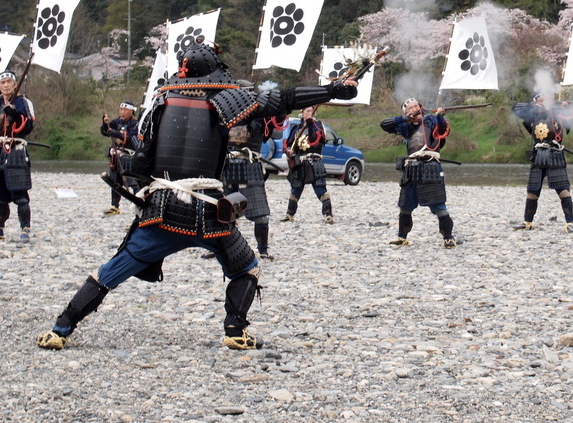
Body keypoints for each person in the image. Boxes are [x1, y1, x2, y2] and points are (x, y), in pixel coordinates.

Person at [36, 39, 357, 351]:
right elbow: (284, 99)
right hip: (208, 215)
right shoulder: (231, 100)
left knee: (107, 274)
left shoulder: (161, 102)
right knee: (248, 269)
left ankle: (61, 329)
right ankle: (235, 330)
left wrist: (136, 174)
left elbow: (141, 164)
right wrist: (333, 90)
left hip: (161, 213)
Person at [380, 98, 456, 248]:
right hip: (412, 168)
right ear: (407, 113)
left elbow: (441, 130)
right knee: (405, 206)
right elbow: (384, 125)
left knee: (439, 206)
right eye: (410, 108)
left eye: (416, 106)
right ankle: (402, 237)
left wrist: (440, 116)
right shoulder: (406, 127)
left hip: (430, 166)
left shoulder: (431, 120)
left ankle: (448, 237)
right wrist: (403, 118)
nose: (415, 108)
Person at [220, 100, 285, 260]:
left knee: (260, 213)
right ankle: (217, 248)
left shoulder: (261, 117)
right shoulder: (224, 115)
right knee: (222, 210)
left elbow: (276, 122)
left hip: (250, 166)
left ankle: (263, 250)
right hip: (227, 165)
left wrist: (282, 108)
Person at [0, 71, 35, 242]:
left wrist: (16, 114)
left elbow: (28, 126)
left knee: (20, 193)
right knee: (0, 194)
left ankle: (25, 228)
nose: (6, 85)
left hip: (16, 150)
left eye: (9, 81)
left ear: (15, 84)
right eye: (3, 82)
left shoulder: (23, 102)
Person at [511, 92, 573, 233]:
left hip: (555, 155)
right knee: (532, 191)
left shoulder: (557, 112)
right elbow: (516, 108)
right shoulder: (534, 113)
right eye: (540, 99)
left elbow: (569, 122)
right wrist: (536, 107)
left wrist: (565, 108)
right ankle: (527, 222)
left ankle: (569, 223)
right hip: (538, 155)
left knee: (563, 191)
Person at [279, 105, 334, 223]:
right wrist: (289, 150)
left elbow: (314, 140)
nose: (309, 113)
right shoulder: (296, 129)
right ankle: (289, 214)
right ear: (302, 113)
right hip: (300, 163)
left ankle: (328, 215)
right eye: (307, 111)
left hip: (315, 162)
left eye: (311, 111)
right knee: (295, 189)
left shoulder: (318, 126)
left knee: (320, 189)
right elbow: (289, 144)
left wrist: (310, 124)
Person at [100, 101, 139, 215]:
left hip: (129, 156)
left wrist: (115, 133)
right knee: (115, 181)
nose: (122, 112)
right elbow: (105, 131)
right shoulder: (116, 122)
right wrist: (104, 123)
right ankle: (115, 206)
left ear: (131, 111)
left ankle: (138, 204)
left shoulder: (135, 124)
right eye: (121, 109)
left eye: (125, 110)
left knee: (133, 182)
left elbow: (131, 138)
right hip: (116, 156)